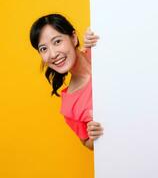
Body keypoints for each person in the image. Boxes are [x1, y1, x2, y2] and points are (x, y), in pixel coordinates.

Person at [29, 13, 103, 150]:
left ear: (74, 38)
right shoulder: (69, 106)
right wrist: (94, 136)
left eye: (57, 41)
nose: (52, 54)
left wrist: (98, 30)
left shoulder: (99, 49)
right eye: (43, 49)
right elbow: (86, 143)